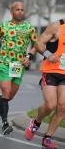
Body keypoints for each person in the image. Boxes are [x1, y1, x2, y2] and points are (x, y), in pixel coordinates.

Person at [0, 1, 37, 135]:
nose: (20, 11)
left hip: (18, 66)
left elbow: (37, 44)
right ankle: (4, 123)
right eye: (17, 9)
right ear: (11, 12)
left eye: (22, 9)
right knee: (6, 92)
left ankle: (2, 101)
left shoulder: (30, 28)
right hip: (3, 63)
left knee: (10, 96)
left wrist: (29, 57)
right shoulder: (3, 26)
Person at [24, 19, 65, 149]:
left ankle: (47, 137)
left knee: (62, 107)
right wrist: (48, 54)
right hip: (51, 71)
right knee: (50, 105)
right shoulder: (56, 26)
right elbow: (38, 43)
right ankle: (36, 122)